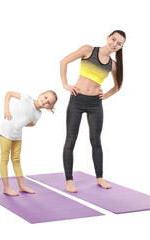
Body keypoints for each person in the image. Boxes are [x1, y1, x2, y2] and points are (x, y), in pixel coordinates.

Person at [60, 30, 126, 192]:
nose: (114, 44)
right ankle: (69, 180)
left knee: (96, 141)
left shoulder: (113, 65)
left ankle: (100, 178)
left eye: (119, 44)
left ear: (120, 47)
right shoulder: (88, 50)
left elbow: (118, 86)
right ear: (107, 37)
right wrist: (65, 84)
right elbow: (64, 62)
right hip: (77, 99)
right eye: (113, 40)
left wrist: (104, 96)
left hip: (95, 104)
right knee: (70, 140)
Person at [0, 90, 57, 196]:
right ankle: (6, 187)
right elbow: (9, 93)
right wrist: (6, 110)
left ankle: (21, 186)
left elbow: (32, 124)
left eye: (48, 102)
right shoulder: (26, 98)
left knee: (16, 160)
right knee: (5, 158)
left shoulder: (38, 114)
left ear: (48, 107)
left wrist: (20, 124)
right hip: (6, 131)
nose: (45, 101)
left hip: (17, 134)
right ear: (40, 94)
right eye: (45, 97)